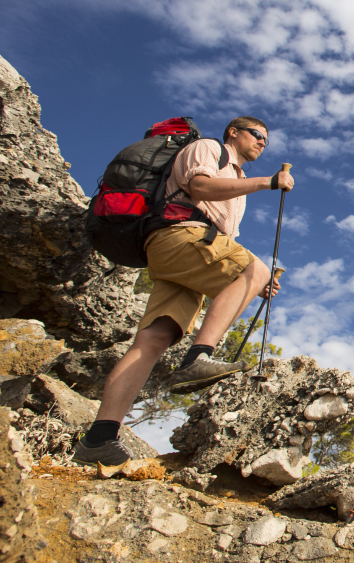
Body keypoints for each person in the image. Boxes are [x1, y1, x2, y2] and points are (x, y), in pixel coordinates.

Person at [73, 116, 294, 467]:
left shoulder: (235, 177)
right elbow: (201, 189)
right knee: (257, 267)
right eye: (257, 135)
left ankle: (99, 437)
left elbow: (224, 243)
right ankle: (198, 358)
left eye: (266, 140)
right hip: (178, 236)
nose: (262, 143)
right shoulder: (208, 149)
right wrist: (267, 183)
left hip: (184, 253)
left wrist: (248, 283)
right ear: (233, 132)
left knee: (154, 340)